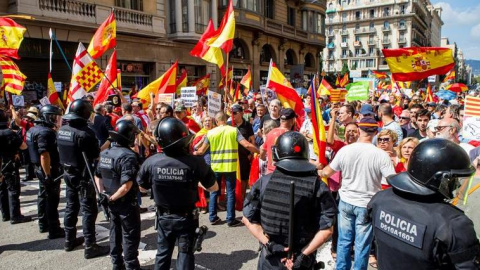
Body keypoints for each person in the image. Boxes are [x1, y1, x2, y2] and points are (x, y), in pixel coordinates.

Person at [368, 139, 480, 269]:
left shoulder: (380, 199)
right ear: (438, 178)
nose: (458, 184)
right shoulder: (453, 223)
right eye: (453, 179)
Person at [243, 131, 337, 270]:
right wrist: (303, 255)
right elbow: (327, 229)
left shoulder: (264, 182)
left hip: (270, 258)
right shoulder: (317, 185)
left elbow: (248, 219)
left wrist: (269, 244)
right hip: (303, 260)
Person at [137, 117, 218, 270]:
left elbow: (141, 188)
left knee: (163, 252)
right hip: (186, 217)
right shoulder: (195, 162)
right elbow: (213, 188)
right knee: (185, 253)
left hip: (163, 216)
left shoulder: (151, 162)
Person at [318, 118, 396, 270]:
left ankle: (341, 268)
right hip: (366, 204)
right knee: (362, 244)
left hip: (346, 202)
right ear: (375, 132)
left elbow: (327, 172)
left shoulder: (346, 150)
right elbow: (393, 181)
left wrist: (319, 170)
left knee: (344, 241)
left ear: (359, 130)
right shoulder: (381, 155)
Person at [57, 99, 109, 258]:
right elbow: (95, 154)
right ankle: (90, 245)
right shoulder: (86, 133)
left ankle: (69, 240)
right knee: (89, 210)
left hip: (68, 173)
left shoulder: (62, 130)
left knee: (71, 206)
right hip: (83, 176)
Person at [194, 112, 259, 227]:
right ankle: (230, 219)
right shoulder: (233, 131)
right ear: (225, 119)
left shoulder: (210, 133)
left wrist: (194, 151)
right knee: (230, 192)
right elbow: (247, 145)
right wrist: (259, 151)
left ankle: (213, 217)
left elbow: (201, 151)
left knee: (214, 191)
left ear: (217, 121)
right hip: (230, 167)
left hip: (216, 167)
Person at [95, 120, 141, 270]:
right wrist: (112, 197)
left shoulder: (105, 153)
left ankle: (117, 264)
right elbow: (127, 185)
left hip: (110, 200)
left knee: (114, 232)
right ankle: (131, 266)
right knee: (129, 235)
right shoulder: (128, 156)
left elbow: (98, 176)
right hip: (124, 202)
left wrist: (103, 194)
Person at [26, 105, 64, 238]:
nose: (56, 120)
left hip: (38, 168)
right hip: (48, 169)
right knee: (51, 200)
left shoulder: (33, 129)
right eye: (54, 117)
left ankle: (43, 223)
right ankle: (54, 228)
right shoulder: (45, 132)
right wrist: (48, 174)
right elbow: (44, 155)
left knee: (42, 196)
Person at [0, 109, 31, 224]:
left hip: (1, 165)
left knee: (2, 189)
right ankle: (15, 216)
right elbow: (24, 146)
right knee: (13, 190)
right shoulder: (9, 133)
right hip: (10, 164)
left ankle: (5, 214)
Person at [228, 104, 256, 203]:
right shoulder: (229, 124)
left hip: (244, 156)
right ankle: (234, 197)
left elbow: (252, 140)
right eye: (232, 113)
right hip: (232, 156)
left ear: (241, 113)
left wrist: (251, 154)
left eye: (235, 113)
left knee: (244, 178)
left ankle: (243, 196)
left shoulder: (248, 125)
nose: (233, 115)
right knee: (232, 178)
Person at [260, 108, 297, 175]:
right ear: (292, 120)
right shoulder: (293, 136)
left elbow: (262, 150)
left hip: (270, 173)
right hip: (285, 174)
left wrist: (264, 158)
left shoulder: (271, 132)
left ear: (280, 120)